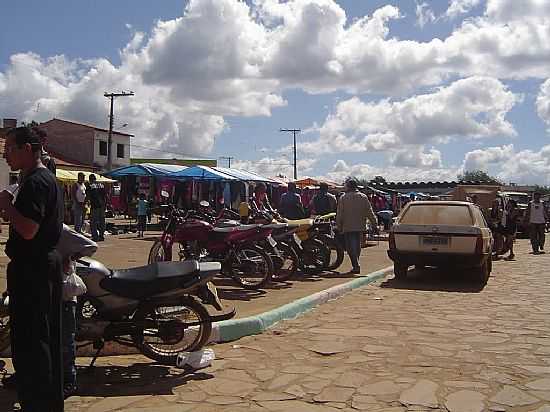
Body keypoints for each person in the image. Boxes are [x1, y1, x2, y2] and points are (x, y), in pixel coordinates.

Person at [0, 126, 64, 411]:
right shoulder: (36, 179)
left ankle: (38, 402)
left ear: (28, 149)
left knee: (33, 342)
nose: (5, 155)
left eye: (10, 149)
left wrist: (7, 206)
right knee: (38, 338)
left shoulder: (37, 182)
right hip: (37, 268)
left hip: (34, 270)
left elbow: (28, 230)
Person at [336, 178, 378, 274]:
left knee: (350, 247)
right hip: (360, 226)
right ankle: (356, 264)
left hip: (347, 226)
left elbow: (340, 214)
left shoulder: (343, 197)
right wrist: (374, 224)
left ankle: (356, 265)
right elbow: (369, 212)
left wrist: (339, 226)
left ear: (348, 187)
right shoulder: (363, 197)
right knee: (357, 245)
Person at [87, 174, 106, 241]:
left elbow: (88, 196)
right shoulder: (101, 185)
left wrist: (84, 203)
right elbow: (105, 196)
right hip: (102, 206)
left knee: (93, 222)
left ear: (90, 179)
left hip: (94, 206)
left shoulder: (90, 185)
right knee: (102, 222)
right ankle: (101, 236)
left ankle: (95, 236)